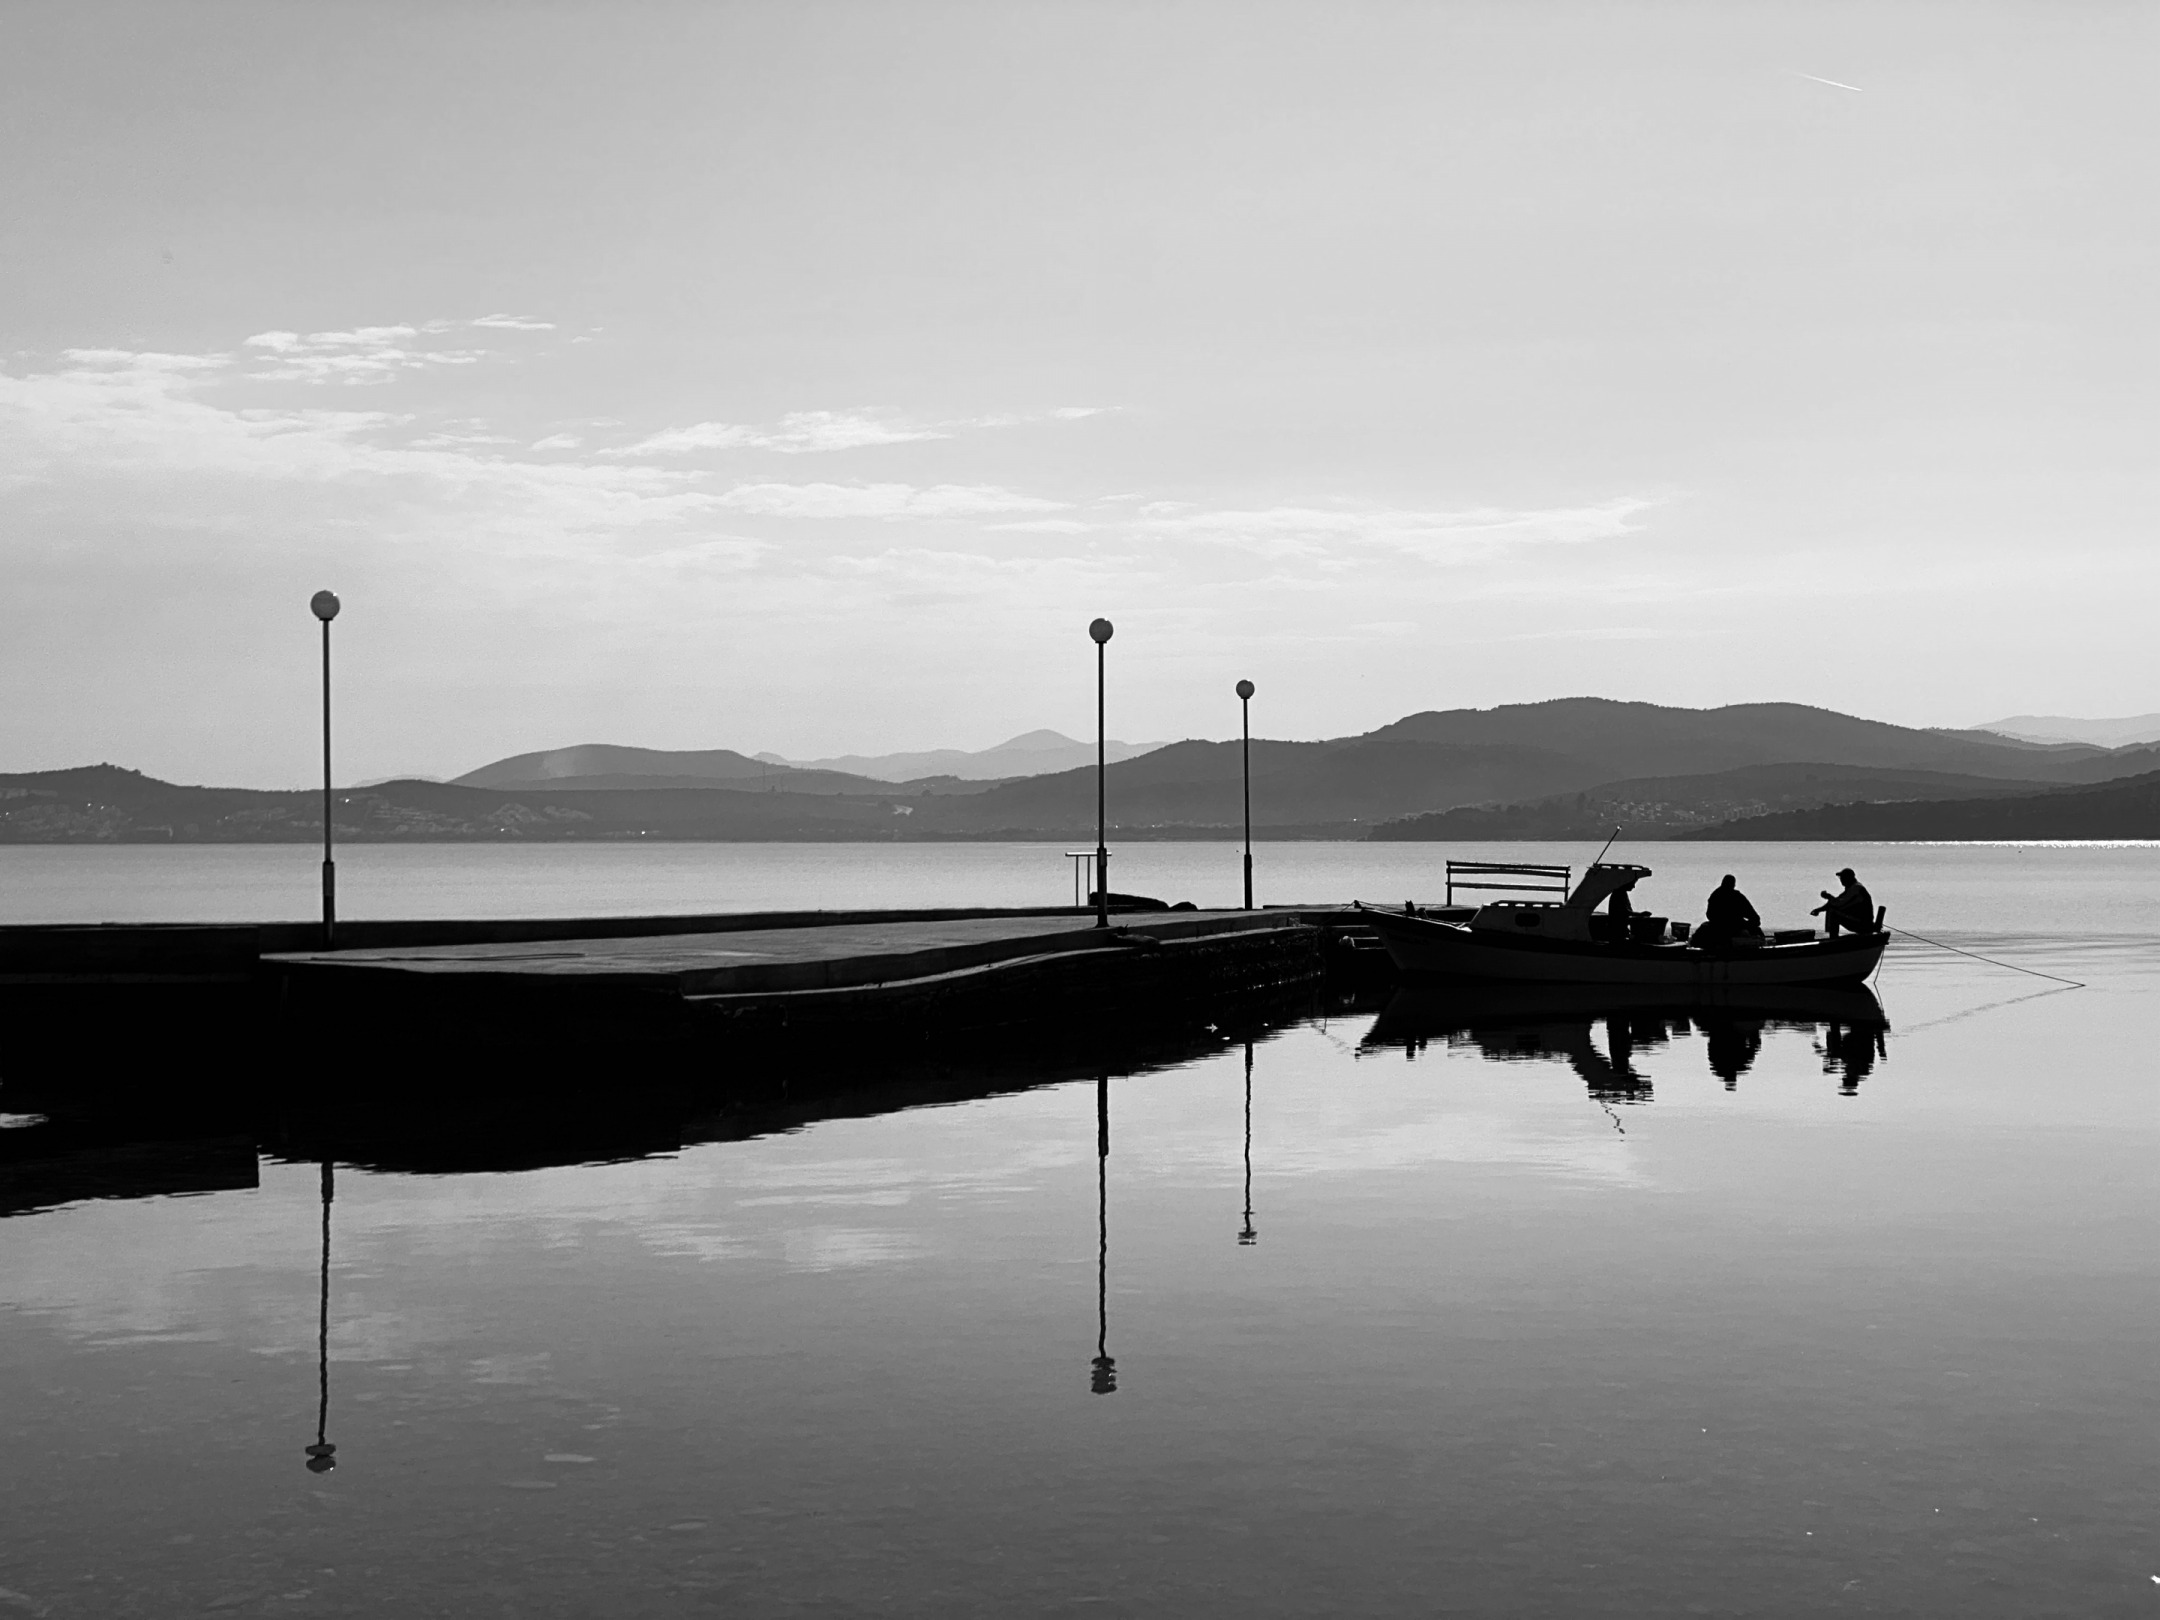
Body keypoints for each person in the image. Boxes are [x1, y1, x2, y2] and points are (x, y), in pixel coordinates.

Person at [1694, 874, 1761, 949]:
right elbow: (1755, 918)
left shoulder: (1718, 895)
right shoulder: (1735, 897)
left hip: (1726, 927)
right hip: (1725, 928)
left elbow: (1754, 918)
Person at [1811, 867, 1875, 936]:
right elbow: (1835, 902)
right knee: (1832, 909)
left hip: (1863, 924)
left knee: (1833, 913)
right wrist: (1819, 910)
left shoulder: (1856, 888)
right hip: (1859, 921)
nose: (1841, 880)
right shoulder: (1850, 888)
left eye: (1842, 877)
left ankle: (1833, 940)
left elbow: (1839, 904)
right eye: (1840, 877)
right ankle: (1832, 937)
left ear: (1848, 878)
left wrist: (1829, 897)